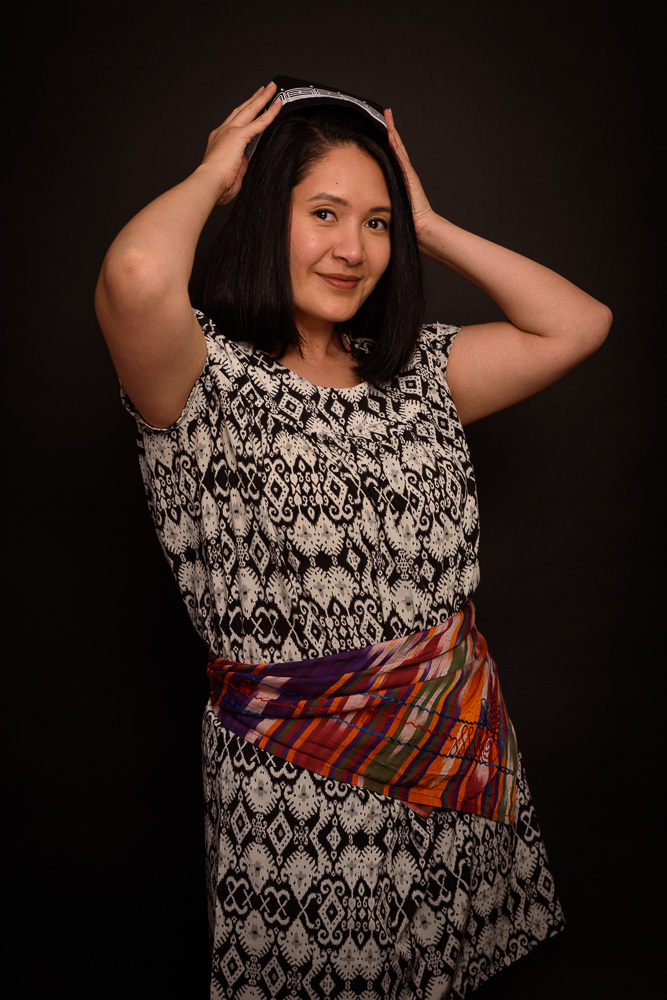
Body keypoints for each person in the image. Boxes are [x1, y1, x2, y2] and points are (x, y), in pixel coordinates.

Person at [95, 76, 611, 999]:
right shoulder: (201, 376)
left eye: (376, 223)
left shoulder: (414, 372)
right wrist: (215, 174)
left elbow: (578, 325)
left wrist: (429, 226)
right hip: (300, 779)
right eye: (324, 213)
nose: (353, 248)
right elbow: (135, 273)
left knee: (449, 971)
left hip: (453, 750)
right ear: (265, 214)